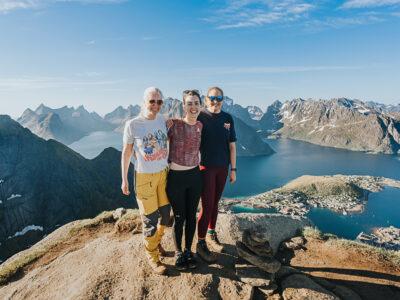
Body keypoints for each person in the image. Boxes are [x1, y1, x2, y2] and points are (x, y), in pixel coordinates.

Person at [121, 87, 171, 275]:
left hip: (163, 175)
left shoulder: (162, 120)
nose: (156, 105)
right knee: (150, 220)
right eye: (152, 101)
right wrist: (124, 179)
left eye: (159, 102)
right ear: (144, 102)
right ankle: (152, 256)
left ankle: (156, 243)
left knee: (166, 216)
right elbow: (126, 153)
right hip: (144, 178)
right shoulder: (133, 124)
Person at [196, 86, 237, 263]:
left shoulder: (227, 118)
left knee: (215, 203)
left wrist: (233, 169)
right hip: (205, 168)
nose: (216, 101)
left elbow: (232, 146)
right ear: (206, 100)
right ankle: (201, 242)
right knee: (206, 205)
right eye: (212, 98)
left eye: (219, 98)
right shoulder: (200, 116)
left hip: (223, 168)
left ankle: (211, 233)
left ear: (223, 100)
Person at [166, 90, 203, 271]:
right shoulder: (173, 125)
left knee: (191, 216)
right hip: (176, 178)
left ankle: (189, 250)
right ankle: (178, 252)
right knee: (179, 217)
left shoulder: (201, 126)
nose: (193, 107)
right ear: (183, 105)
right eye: (189, 103)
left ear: (200, 105)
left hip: (195, 176)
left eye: (196, 103)